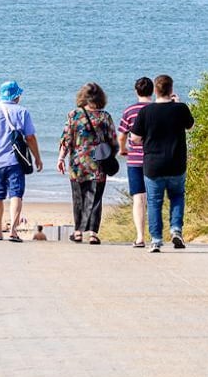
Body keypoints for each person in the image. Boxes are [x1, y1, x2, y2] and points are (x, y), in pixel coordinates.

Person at [130, 74, 194, 253]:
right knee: (177, 196)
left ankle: (156, 240)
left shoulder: (146, 112)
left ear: (155, 91)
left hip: (153, 164)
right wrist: (178, 103)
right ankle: (175, 229)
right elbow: (191, 126)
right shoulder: (180, 108)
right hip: (176, 162)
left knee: (154, 202)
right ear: (171, 90)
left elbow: (135, 138)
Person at [0, 80, 42, 241]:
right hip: (15, 161)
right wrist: (37, 158)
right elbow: (30, 137)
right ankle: (12, 230)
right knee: (16, 194)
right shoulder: (22, 112)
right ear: (16, 96)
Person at [57, 82, 119, 244]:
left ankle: (78, 232)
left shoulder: (74, 115)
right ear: (101, 97)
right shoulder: (105, 117)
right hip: (98, 164)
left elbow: (66, 140)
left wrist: (61, 158)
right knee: (96, 198)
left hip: (78, 165)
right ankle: (92, 234)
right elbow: (113, 141)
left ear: (82, 96)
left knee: (78, 198)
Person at [115, 76, 154, 248]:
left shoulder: (130, 111)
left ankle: (140, 237)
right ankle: (156, 236)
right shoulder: (156, 109)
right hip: (154, 158)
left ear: (136, 91)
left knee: (138, 198)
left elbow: (122, 135)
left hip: (135, 159)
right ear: (152, 91)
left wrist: (122, 149)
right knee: (154, 198)